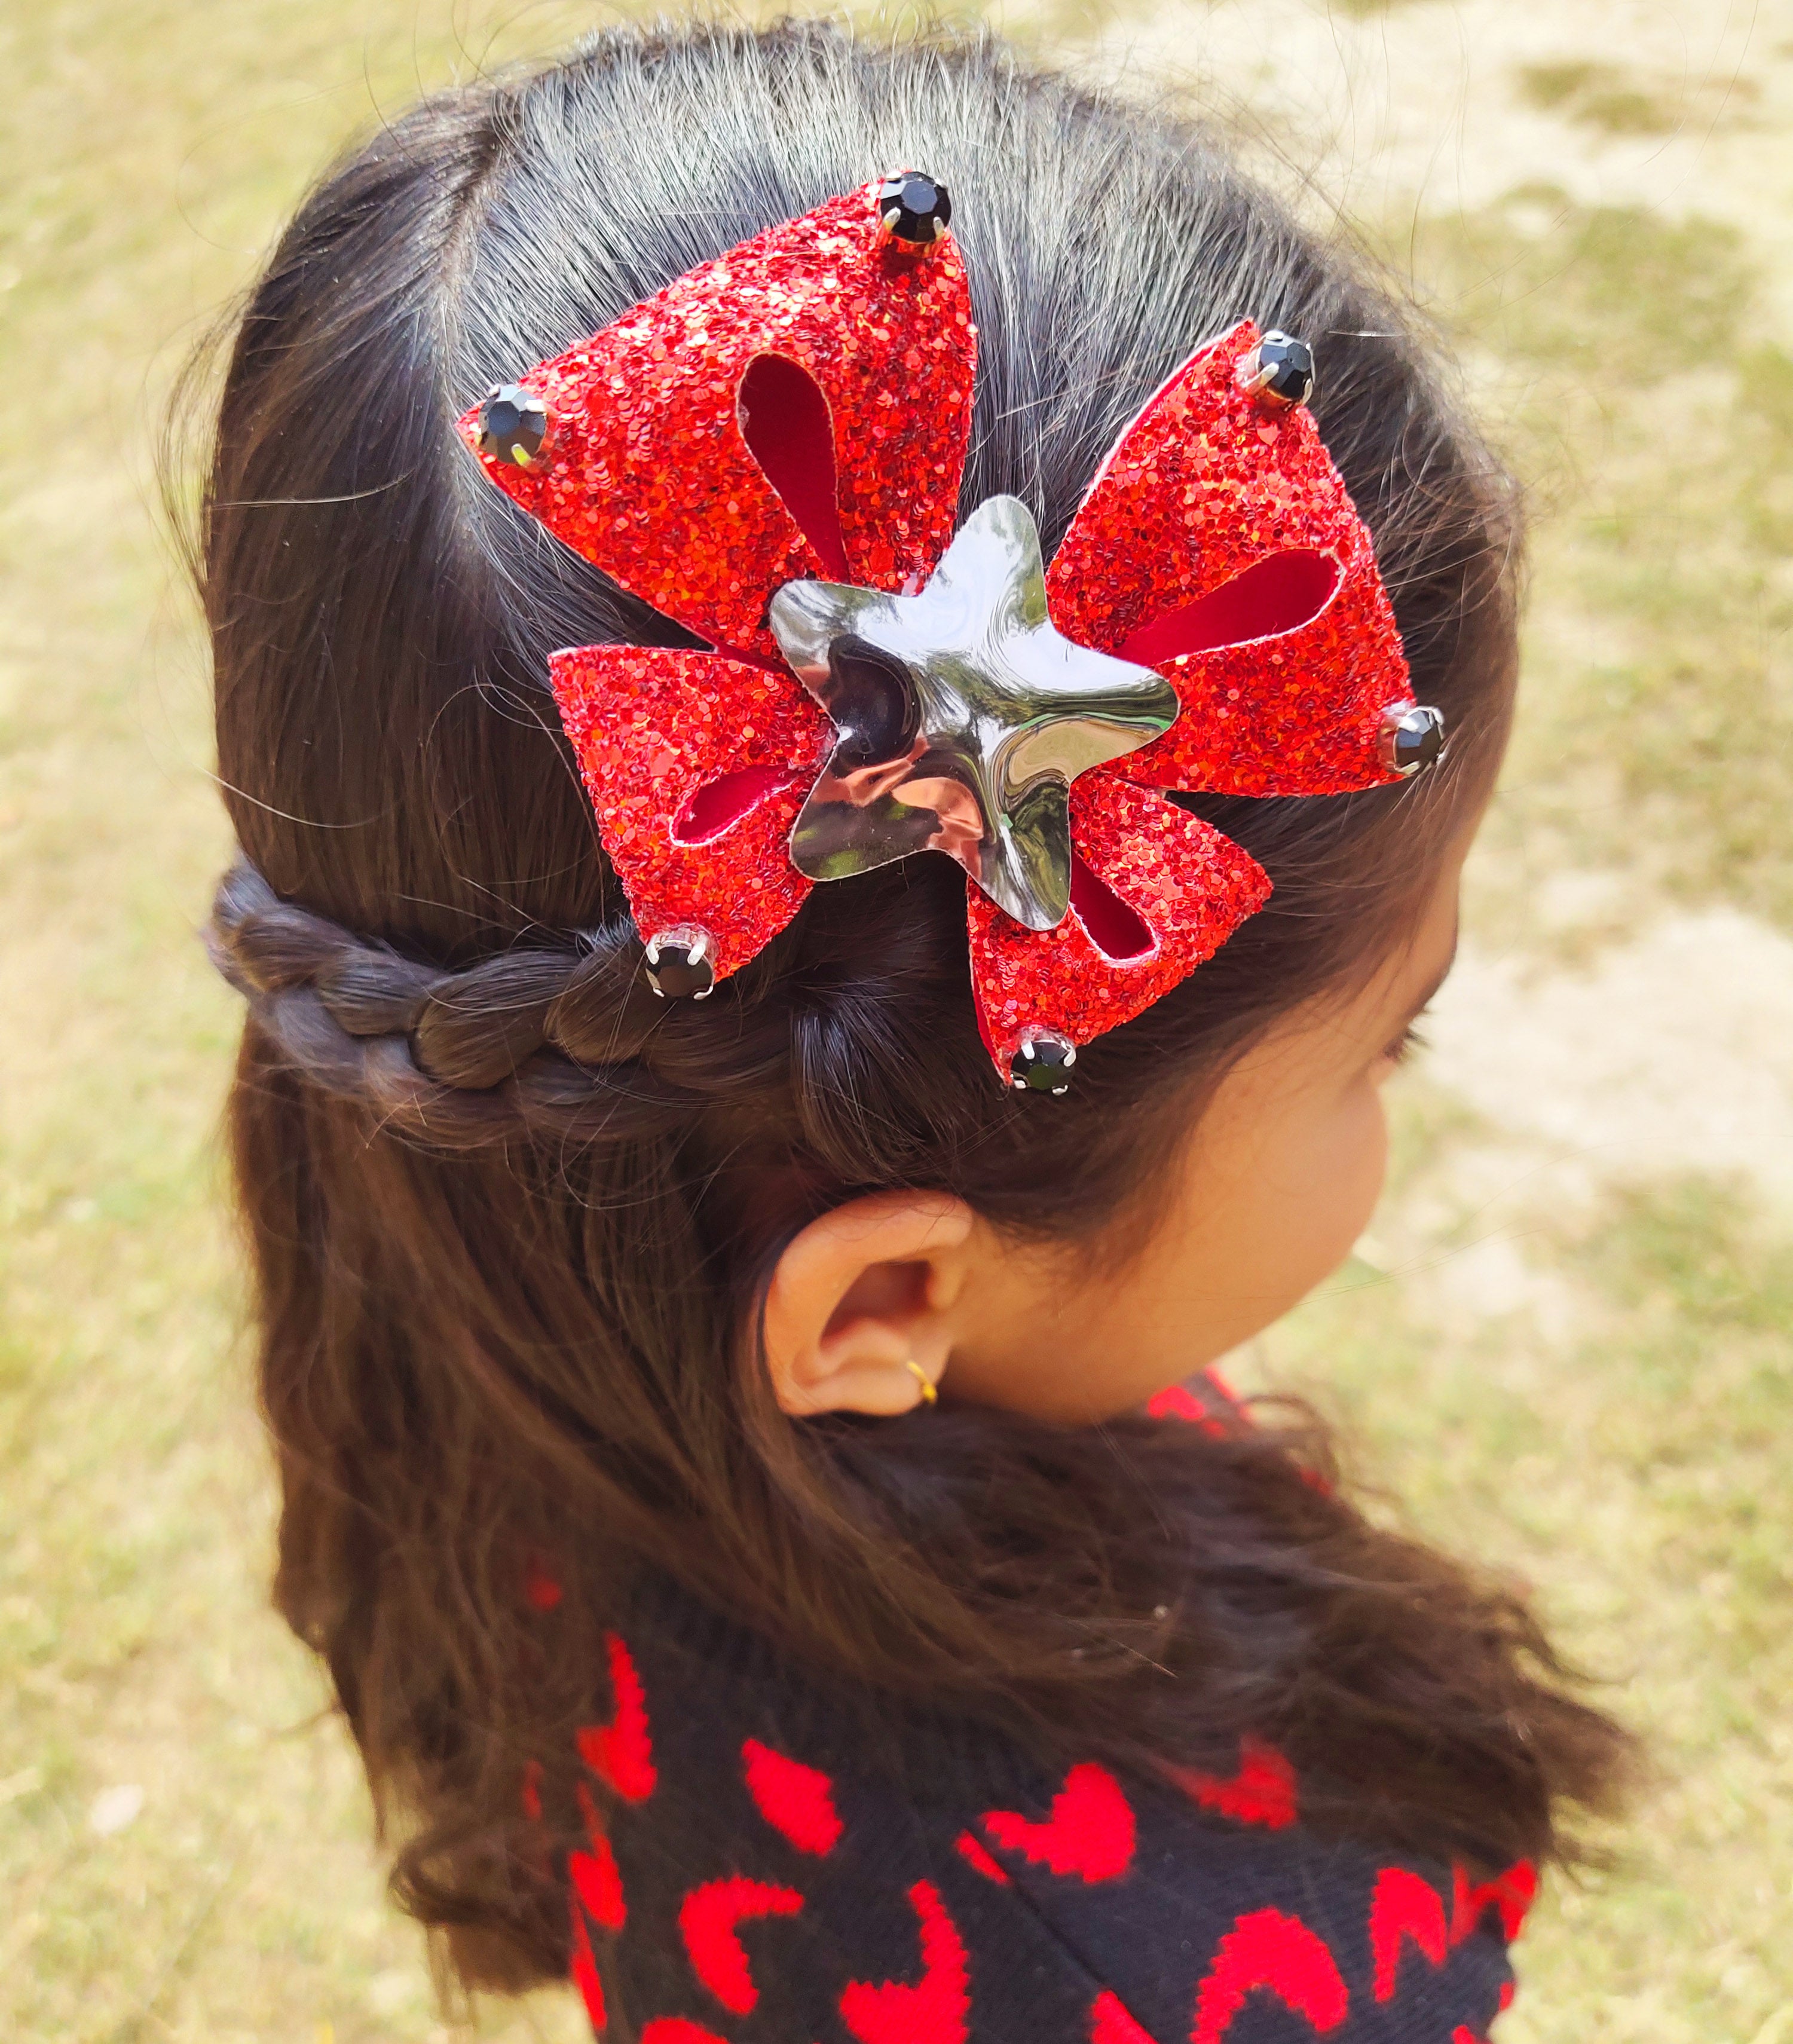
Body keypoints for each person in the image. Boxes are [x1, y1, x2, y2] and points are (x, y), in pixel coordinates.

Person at [193, 21, 1631, 2041]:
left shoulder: (496, 1318)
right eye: (1399, 1036)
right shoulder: (1211, 1978)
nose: (1401, 1083)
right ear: (883, 1303)